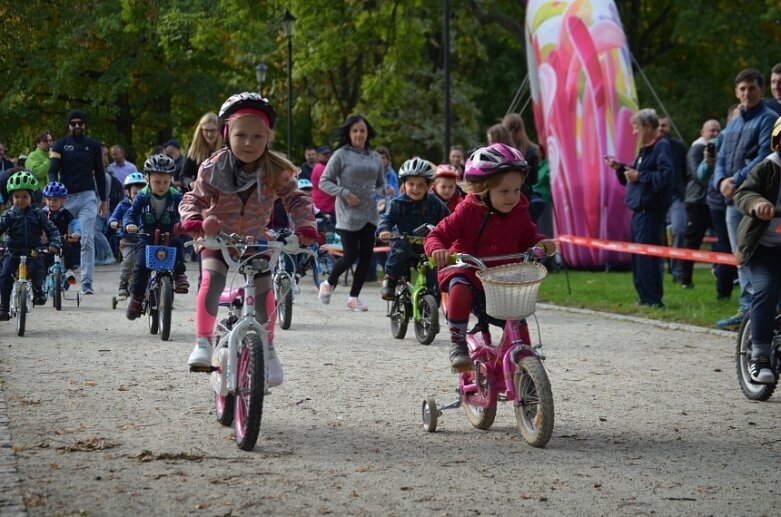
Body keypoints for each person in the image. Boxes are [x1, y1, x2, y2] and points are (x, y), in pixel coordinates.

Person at [179, 92, 316, 380]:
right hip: (219, 238)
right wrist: (193, 220)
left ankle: (267, 348)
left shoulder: (276, 170)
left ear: (268, 138)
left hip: (256, 239)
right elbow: (193, 198)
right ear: (227, 134)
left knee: (266, 288)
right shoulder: (213, 167)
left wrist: (305, 228)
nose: (249, 143)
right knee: (212, 278)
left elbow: (298, 200)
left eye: (257, 136)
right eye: (241, 135)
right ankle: (203, 341)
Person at [424, 144, 554, 368]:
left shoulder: (519, 212)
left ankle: (527, 369)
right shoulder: (467, 211)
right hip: (469, 272)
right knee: (460, 288)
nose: (512, 197)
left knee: (519, 323)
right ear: (482, 189)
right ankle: (458, 343)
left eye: (516, 190)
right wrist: (437, 250)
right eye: (504, 191)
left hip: (502, 281)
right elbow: (437, 235)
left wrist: (541, 243)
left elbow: (528, 237)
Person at [712, 68, 778, 329]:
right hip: (731, 201)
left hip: (757, 202)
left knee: (758, 259)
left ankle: (760, 314)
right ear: (736, 92)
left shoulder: (770, 119)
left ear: (761, 90)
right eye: (742, 89)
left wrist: (734, 181)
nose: (746, 93)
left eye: (751, 88)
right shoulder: (734, 122)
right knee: (741, 257)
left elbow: (764, 157)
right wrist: (720, 180)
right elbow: (721, 157)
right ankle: (746, 312)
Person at [605, 108, 674, 308]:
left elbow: (665, 177)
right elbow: (634, 178)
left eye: (636, 128)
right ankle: (644, 298)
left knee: (648, 258)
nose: (634, 133)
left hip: (650, 213)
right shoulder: (644, 150)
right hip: (638, 213)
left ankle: (653, 300)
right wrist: (621, 169)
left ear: (647, 126)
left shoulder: (662, 147)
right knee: (637, 258)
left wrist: (639, 176)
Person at [317, 114, 385, 312]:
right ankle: (328, 283)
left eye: (362, 131)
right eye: (355, 130)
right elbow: (324, 182)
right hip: (347, 212)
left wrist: (382, 194)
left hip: (370, 213)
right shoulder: (340, 155)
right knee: (350, 255)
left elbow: (381, 184)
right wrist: (344, 193)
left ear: (367, 133)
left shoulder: (375, 157)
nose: (359, 134)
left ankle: (353, 298)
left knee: (365, 257)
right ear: (349, 133)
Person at [732, 115, 781, 383]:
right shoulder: (767, 168)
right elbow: (743, 192)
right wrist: (757, 203)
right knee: (766, 288)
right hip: (763, 248)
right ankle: (760, 352)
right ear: (777, 142)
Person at [123, 155, 189, 321]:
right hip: (147, 235)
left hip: (170, 233)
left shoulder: (175, 195)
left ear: (171, 180)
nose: (161, 186)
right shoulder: (142, 196)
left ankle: (179, 275)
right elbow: (130, 214)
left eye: (165, 182)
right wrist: (129, 224)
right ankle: (136, 299)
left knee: (177, 244)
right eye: (157, 182)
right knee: (140, 267)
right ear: (147, 178)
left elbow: (187, 211)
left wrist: (188, 222)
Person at [47, 109, 107, 295]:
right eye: (73, 123)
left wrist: (103, 199)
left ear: (85, 125)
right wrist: (52, 193)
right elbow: (52, 170)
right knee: (56, 237)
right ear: (69, 126)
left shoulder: (93, 145)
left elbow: (100, 173)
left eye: (80, 123)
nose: (77, 126)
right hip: (64, 198)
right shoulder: (60, 145)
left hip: (87, 196)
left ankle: (87, 283)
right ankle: (57, 276)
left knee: (86, 238)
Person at [377, 158, 449, 300]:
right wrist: (384, 230)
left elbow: (448, 220)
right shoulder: (398, 203)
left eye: (420, 185)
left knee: (434, 268)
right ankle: (390, 281)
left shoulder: (435, 203)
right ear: (404, 184)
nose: (415, 189)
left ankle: (432, 296)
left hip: (428, 246)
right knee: (400, 249)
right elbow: (386, 218)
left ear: (428, 186)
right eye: (411, 184)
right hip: (405, 242)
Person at [0, 171, 61, 318]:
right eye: (16, 197)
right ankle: (4, 307)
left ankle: (38, 290)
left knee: (37, 270)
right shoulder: (8, 214)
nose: (20, 200)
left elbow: (52, 230)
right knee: (5, 274)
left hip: (33, 250)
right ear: (11, 198)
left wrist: (54, 243)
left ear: (32, 197)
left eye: (25, 196)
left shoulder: (38, 214)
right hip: (13, 251)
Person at [680, 119, 722, 290]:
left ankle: (722, 276)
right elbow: (698, 176)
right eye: (711, 130)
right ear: (702, 132)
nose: (715, 134)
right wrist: (718, 185)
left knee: (722, 240)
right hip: (697, 201)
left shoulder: (721, 148)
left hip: (716, 202)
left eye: (718, 130)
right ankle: (685, 279)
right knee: (693, 241)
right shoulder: (696, 149)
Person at [658, 116, 690, 284]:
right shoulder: (650, 147)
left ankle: (677, 272)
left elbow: (687, 171)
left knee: (679, 230)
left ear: (669, 127)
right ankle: (659, 273)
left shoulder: (679, 147)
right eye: (659, 125)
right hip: (657, 197)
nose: (661, 128)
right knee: (657, 235)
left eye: (664, 125)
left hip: (677, 196)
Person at [108, 172, 147, 297]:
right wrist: (114, 222)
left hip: (144, 239)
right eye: (136, 193)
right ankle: (123, 284)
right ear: (128, 192)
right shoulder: (123, 205)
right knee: (128, 261)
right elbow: (113, 217)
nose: (138, 196)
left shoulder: (147, 205)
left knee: (148, 262)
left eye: (142, 192)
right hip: (128, 240)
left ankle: (148, 283)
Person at [41, 182, 80, 283]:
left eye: (55, 200)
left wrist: (77, 232)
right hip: (47, 242)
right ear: (45, 200)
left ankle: (68, 270)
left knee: (69, 249)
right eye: (49, 199)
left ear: (62, 201)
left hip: (62, 240)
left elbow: (75, 222)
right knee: (43, 257)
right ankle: (41, 278)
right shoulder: (42, 213)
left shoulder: (64, 213)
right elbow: (35, 224)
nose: (51, 202)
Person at [181, 113, 223, 192]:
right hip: (200, 192)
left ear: (219, 130)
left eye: (213, 130)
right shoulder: (193, 148)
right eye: (206, 130)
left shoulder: (226, 148)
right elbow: (184, 176)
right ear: (200, 130)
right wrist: (192, 184)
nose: (209, 134)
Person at [310, 145, 334, 219]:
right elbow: (335, 183)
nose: (327, 156)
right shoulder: (320, 167)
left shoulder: (324, 167)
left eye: (328, 153)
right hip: (324, 207)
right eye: (324, 154)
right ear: (318, 156)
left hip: (326, 206)